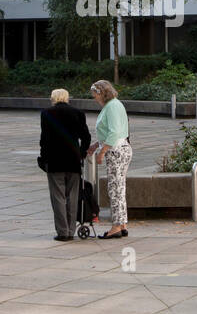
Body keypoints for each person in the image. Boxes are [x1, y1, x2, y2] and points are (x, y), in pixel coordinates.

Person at [39, 88, 90, 241]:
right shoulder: (78, 113)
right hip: (73, 160)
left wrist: (44, 158)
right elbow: (86, 137)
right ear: (67, 98)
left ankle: (63, 231)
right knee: (72, 196)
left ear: (53, 98)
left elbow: (45, 139)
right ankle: (71, 230)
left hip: (55, 161)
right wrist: (81, 153)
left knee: (58, 196)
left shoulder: (46, 113)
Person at [90, 79, 131, 239]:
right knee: (119, 188)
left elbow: (114, 132)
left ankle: (116, 226)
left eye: (95, 95)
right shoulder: (114, 105)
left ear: (102, 93)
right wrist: (96, 145)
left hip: (116, 151)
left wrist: (102, 152)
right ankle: (122, 223)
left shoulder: (112, 106)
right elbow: (112, 131)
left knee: (115, 189)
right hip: (120, 149)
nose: (94, 99)